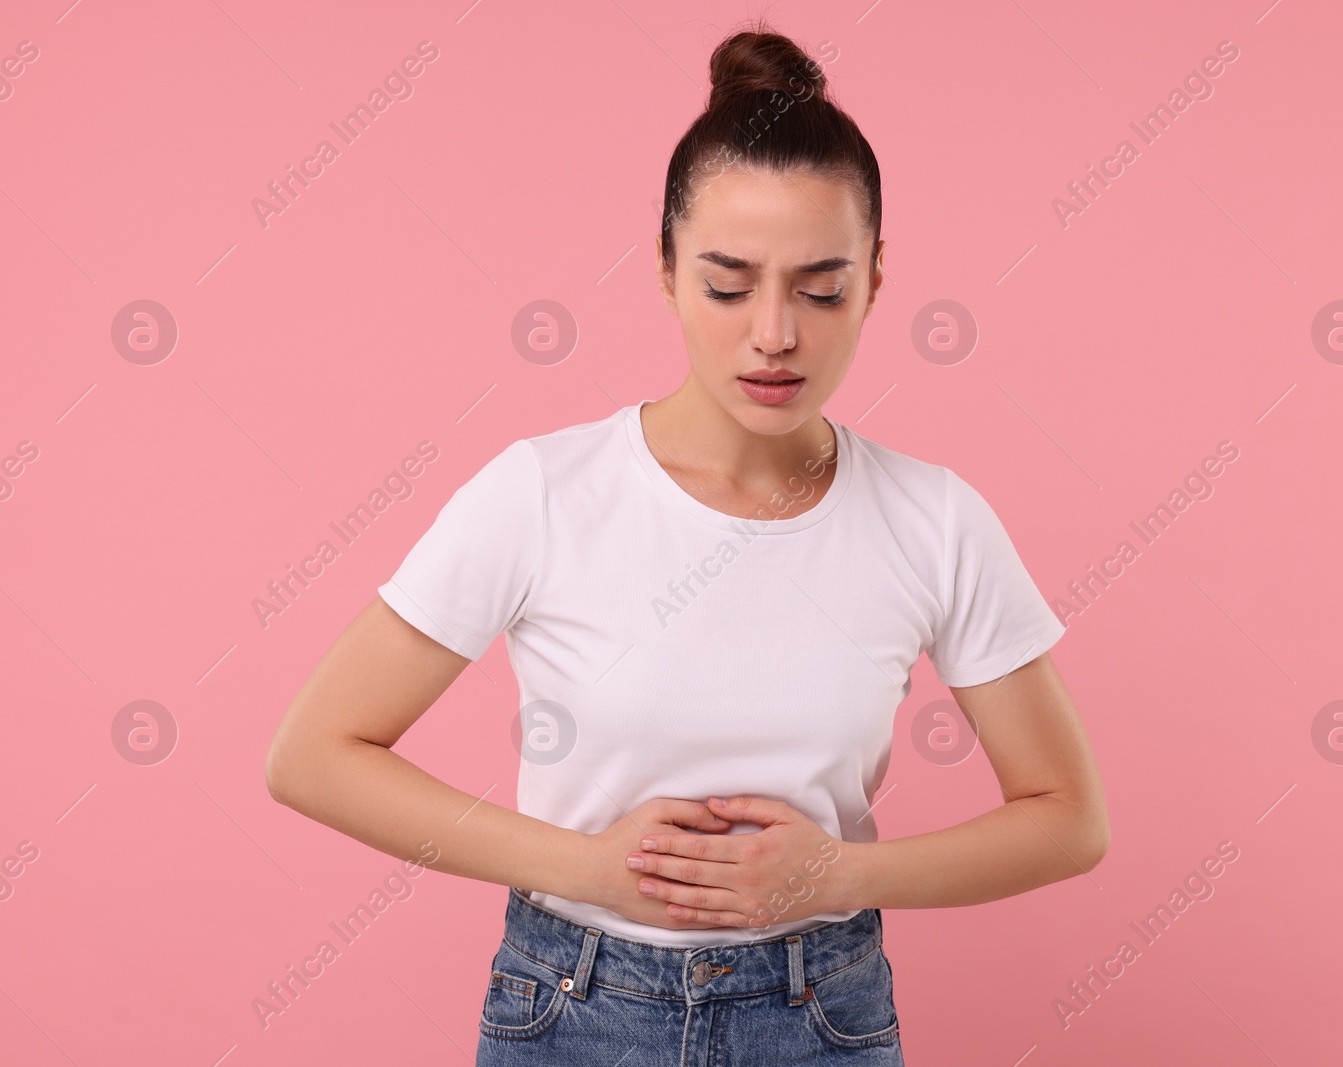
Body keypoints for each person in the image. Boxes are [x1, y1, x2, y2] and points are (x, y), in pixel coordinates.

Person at [265, 20, 1109, 1063]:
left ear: (877, 278)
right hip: (573, 1005)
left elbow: (1068, 815)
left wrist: (838, 875)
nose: (773, 332)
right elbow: (313, 754)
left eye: (820, 286)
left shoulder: (932, 519)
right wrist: (582, 865)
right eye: (727, 282)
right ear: (664, 269)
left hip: (819, 1014)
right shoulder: (543, 491)